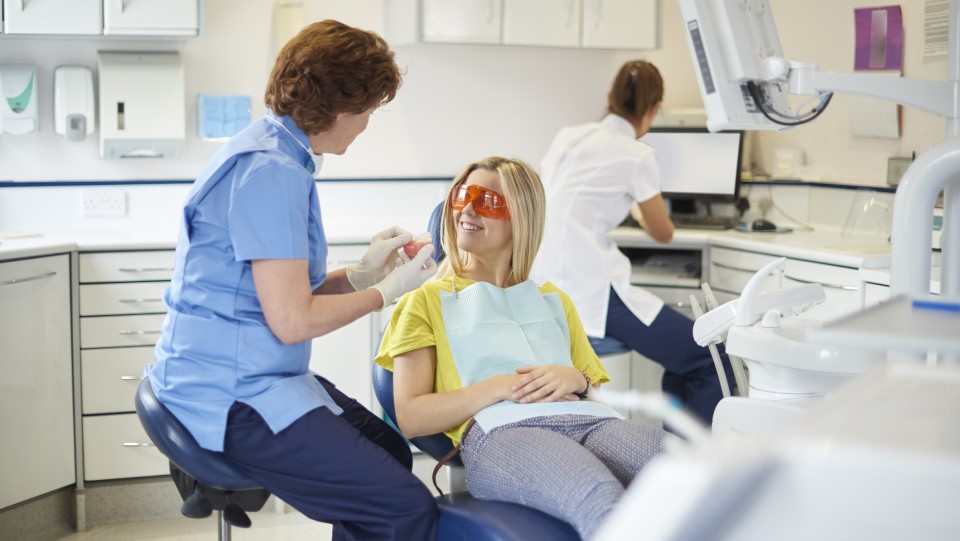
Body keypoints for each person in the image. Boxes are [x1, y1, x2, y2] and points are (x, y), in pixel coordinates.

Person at [145, 20, 439, 540]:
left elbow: (276, 291)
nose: (369, 123)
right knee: (400, 505)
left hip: (245, 371)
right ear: (342, 109)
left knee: (391, 452)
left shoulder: (272, 148)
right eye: (370, 110)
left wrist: (360, 273)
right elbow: (291, 320)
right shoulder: (271, 173)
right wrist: (384, 293)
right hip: (229, 392)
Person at [375, 156, 668, 541]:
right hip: (501, 432)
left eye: (489, 201)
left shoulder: (553, 301)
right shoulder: (424, 302)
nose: (468, 208)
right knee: (602, 499)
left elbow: (594, 393)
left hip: (592, 422)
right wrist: (499, 387)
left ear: (522, 219)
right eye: (465, 195)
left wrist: (575, 377)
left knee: (698, 473)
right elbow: (411, 416)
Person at [530, 60, 733, 424]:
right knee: (707, 355)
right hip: (586, 284)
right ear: (654, 110)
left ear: (610, 97)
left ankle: (672, 450)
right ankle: (696, 461)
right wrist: (640, 213)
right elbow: (663, 232)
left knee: (682, 356)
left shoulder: (568, 135)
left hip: (538, 276)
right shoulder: (638, 154)